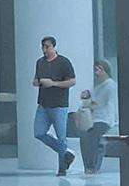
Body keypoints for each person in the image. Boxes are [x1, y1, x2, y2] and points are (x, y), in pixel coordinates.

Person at [32, 35, 77, 175]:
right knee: (39, 132)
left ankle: (62, 168)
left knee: (61, 136)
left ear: (54, 47)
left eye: (47, 47)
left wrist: (53, 83)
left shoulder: (64, 62)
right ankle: (66, 152)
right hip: (43, 104)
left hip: (59, 105)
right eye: (43, 47)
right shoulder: (40, 62)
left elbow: (72, 81)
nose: (45, 50)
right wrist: (38, 82)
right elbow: (36, 79)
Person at [76, 59, 117, 176]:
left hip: (105, 119)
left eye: (98, 70)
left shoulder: (110, 85)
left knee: (92, 136)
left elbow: (98, 103)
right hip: (94, 119)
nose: (95, 73)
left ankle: (93, 167)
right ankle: (88, 167)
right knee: (84, 136)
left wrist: (87, 104)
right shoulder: (96, 87)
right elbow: (88, 101)